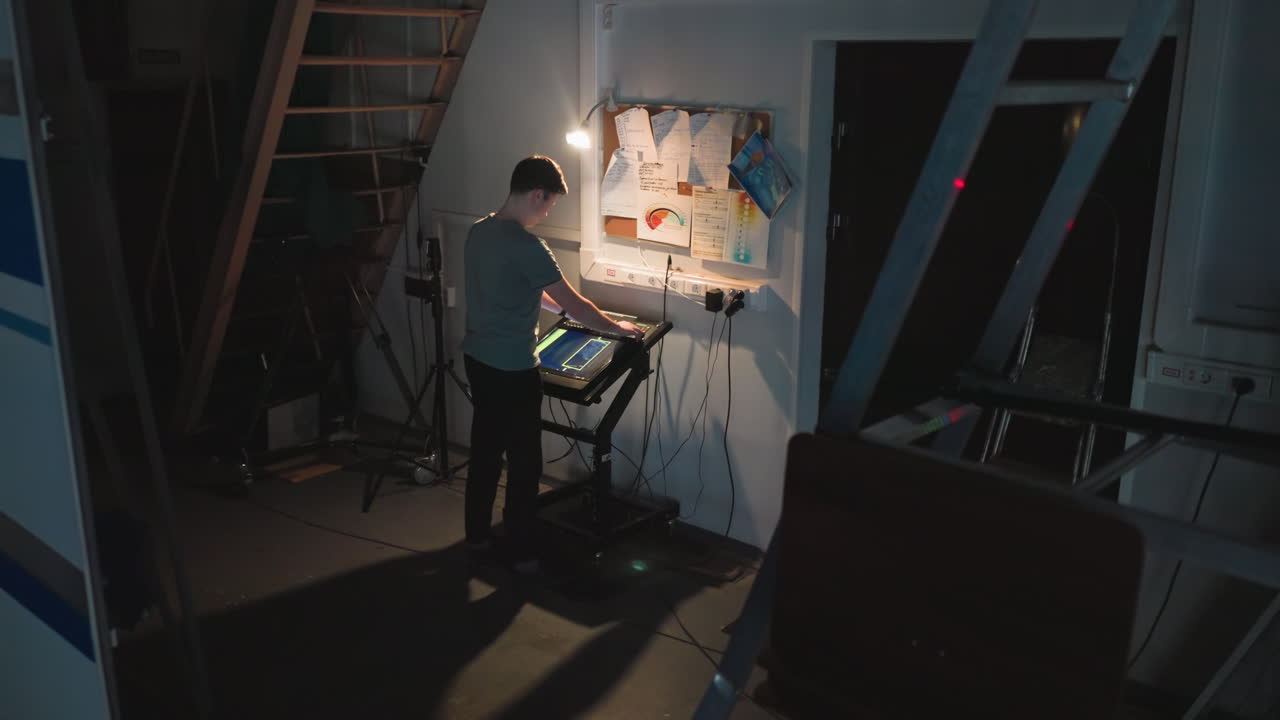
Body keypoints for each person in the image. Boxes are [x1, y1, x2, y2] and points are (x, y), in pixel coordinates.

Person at [461, 154, 642, 573]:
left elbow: (522, 285)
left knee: (486, 452)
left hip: (478, 361)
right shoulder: (528, 246)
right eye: (550, 205)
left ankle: (476, 537)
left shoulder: (479, 232)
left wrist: (550, 304)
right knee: (525, 464)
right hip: (514, 369)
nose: (547, 214)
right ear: (538, 195)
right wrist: (618, 329)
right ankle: (522, 551)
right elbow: (577, 306)